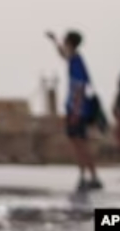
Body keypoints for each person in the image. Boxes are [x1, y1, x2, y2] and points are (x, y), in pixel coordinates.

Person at [46, 30, 102, 191]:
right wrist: (54, 40)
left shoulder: (77, 61)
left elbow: (79, 88)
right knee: (78, 144)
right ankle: (85, 175)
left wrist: (76, 111)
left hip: (77, 110)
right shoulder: (74, 59)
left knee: (80, 144)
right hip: (76, 109)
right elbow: (63, 54)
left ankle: (91, 176)